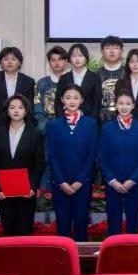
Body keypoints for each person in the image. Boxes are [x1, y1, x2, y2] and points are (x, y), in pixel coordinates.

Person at [47, 84, 99, 241]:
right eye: (68, 97)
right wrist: (62, 182)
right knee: (62, 224)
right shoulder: (53, 125)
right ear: (62, 100)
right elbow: (51, 155)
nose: (72, 101)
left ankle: (80, 255)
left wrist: (81, 180)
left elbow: (92, 154)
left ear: (81, 100)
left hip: (82, 183)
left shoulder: (91, 124)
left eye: (76, 98)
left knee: (81, 223)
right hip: (60, 183)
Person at [0, 94, 44, 236]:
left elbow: (38, 164)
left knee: (24, 231)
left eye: (20, 107)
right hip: (4, 192)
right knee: (8, 232)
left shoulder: (35, 134)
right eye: (12, 107)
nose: (16, 110)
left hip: (26, 192)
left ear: (26, 111)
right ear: (7, 111)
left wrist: (33, 187)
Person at [98, 90, 138, 235]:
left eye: (128, 103)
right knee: (114, 222)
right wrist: (112, 180)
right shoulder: (107, 128)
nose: (124, 107)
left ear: (133, 105)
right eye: (120, 103)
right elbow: (102, 157)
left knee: (134, 221)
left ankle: (133, 247)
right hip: (113, 183)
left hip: (134, 182)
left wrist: (133, 179)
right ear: (115, 105)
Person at [0, 47, 36, 130]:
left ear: (19, 63)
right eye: (6, 59)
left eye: (13, 59)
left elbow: (29, 108)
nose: (9, 62)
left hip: (20, 126)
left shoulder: (28, 81)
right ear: (1, 63)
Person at [55, 44, 102, 120]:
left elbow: (97, 103)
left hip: (88, 119)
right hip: (66, 120)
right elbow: (58, 102)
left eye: (80, 55)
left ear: (86, 58)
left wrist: (91, 122)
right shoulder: (64, 78)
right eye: (74, 56)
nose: (77, 59)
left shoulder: (95, 77)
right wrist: (61, 121)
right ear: (70, 59)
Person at [33, 46, 68, 132]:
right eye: (53, 60)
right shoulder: (41, 83)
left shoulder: (73, 82)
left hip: (69, 125)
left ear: (66, 61)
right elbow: (37, 108)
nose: (57, 62)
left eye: (60, 59)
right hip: (46, 127)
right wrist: (46, 124)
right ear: (49, 62)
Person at [98, 35, 125, 123]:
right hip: (101, 121)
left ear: (121, 51)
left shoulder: (128, 73)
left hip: (125, 120)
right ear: (102, 51)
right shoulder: (95, 75)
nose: (112, 51)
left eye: (116, 48)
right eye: (108, 48)